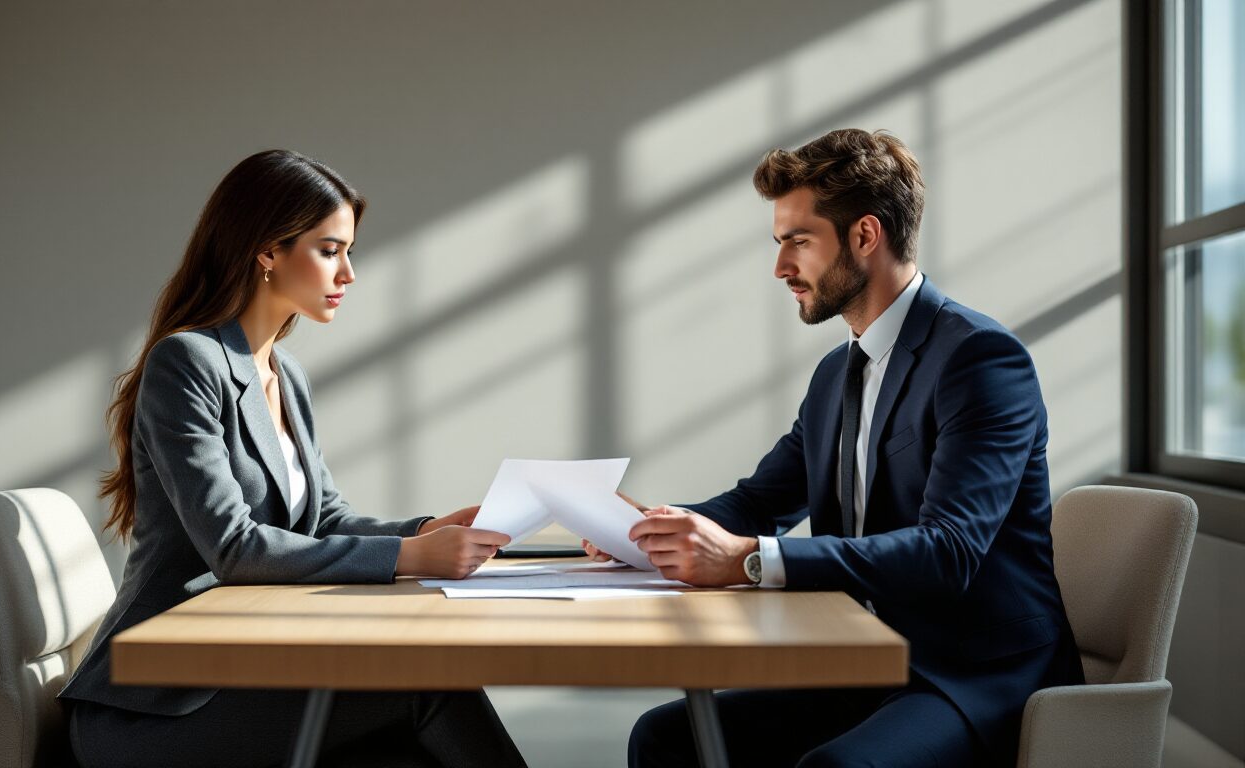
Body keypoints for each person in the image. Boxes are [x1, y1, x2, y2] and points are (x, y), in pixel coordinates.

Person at [595, 129, 1085, 767]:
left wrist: (746, 560)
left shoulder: (979, 358)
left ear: (864, 235)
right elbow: (759, 502)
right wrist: (645, 530)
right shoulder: (837, 373)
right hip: (867, 657)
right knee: (665, 739)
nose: (780, 267)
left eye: (798, 241)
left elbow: (950, 552)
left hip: (975, 673)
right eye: (779, 244)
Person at [59, 149, 527, 768]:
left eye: (349, 251)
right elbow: (235, 548)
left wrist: (426, 531)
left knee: (406, 738)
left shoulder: (284, 373)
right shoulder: (188, 363)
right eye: (331, 250)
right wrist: (413, 557)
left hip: (243, 667)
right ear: (267, 252)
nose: (349, 273)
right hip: (157, 704)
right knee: (427, 682)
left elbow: (325, 520)